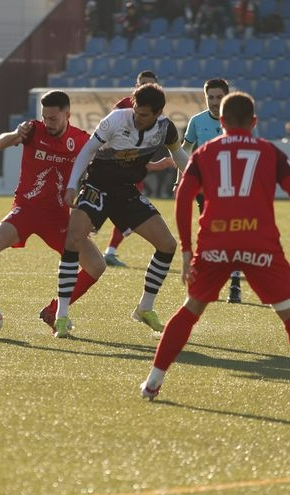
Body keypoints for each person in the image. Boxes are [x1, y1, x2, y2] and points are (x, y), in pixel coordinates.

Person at [139, 91, 290, 410]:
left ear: (221, 122)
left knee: (190, 310)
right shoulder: (268, 151)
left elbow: (183, 196)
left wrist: (189, 250)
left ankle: (152, 383)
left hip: (215, 243)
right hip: (259, 244)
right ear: (255, 121)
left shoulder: (206, 153)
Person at [0, 91, 104, 333]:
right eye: (45, 117)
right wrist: (16, 134)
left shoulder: (81, 140)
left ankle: (54, 310)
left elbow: (98, 168)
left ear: (67, 115)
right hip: (25, 210)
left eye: (54, 118)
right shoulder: (33, 130)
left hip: (58, 217)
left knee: (96, 266)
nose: (48, 123)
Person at [53, 83, 189, 338]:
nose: (138, 117)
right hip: (97, 187)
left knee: (168, 244)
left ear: (158, 113)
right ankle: (61, 316)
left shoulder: (165, 128)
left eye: (145, 115)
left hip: (126, 193)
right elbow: (88, 151)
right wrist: (72, 184)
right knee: (73, 239)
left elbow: (179, 155)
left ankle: (145, 308)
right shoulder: (116, 119)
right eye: (136, 111)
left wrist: (197, 180)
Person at [180, 78, 244, 303]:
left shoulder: (238, 121)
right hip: (205, 189)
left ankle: (235, 283)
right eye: (211, 97)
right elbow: (183, 152)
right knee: (211, 234)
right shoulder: (197, 122)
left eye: (219, 97)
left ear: (227, 97)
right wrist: (181, 180)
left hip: (233, 188)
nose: (215, 102)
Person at [105, 70, 169, 268]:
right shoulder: (123, 107)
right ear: (136, 86)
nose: (144, 87)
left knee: (125, 209)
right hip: (112, 167)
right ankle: (95, 249)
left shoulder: (157, 115)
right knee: (108, 207)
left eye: (148, 84)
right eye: (141, 83)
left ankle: (109, 251)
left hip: (131, 170)